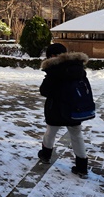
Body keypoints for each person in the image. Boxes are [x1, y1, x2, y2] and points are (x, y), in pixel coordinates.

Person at [38, 42, 91, 178]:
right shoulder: (78, 67)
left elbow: (44, 91)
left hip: (56, 108)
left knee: (50, 132)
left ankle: (45, 155)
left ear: (52, 56)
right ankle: (82, 167)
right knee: (77, 135)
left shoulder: (54, 69)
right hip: (74, 108)